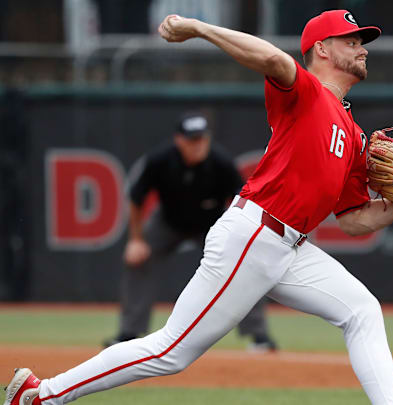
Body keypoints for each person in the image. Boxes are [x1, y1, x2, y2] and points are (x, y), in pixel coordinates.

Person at [4, 9, 393, 405]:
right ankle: (42, 394)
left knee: (362, 310)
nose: (362, 47)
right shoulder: (306, 92)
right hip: (255, 235)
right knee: (170, 350)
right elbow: (272, 58)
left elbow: (353, 221)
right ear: (322, 49)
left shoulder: (353, 135)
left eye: (361, 41)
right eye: (351, 40)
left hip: (290, 248)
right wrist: (200, 28)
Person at [103, 111, 277, 352]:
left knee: (243, 265)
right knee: (137, 260)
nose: (198, 145)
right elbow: (136, 198)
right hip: (168, 221)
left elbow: (242, 199)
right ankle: (128, 333)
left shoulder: (220, 162)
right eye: (192, 140)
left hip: (212, 223)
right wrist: (136, 240)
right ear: (179, 140)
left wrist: (238, 237)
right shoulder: (160, 159)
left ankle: (259, 336)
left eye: (202, 139)